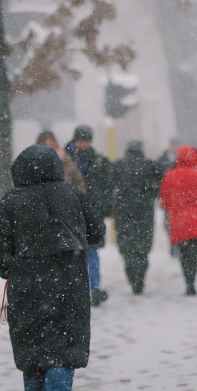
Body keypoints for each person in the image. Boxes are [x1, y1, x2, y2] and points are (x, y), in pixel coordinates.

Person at [0, 145, 105, 391]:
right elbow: (97, 232)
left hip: (27, 287)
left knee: (33, 353)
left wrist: (10, 268)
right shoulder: (73, 195)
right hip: (69, 284)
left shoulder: (10, 202)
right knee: (64, 350)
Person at [65, 125, 113, 306]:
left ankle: (93, 288)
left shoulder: (98, 161)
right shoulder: (64, 159)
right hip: (71, 213)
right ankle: (79, 289)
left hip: (91, 213)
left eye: (86, 140)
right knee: (74, 253)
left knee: (91, 251)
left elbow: (106, 187)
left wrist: (103, 207)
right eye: (81, 140)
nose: (83, 144)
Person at [159, 145, 197, 296]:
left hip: (177, 223)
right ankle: (192, 281)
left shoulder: (169, 175)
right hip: (195, 221)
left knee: (183, 254)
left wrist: (173, 208)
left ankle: (187, 281)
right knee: (193, 254)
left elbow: (163, 200)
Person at [112, 141, 162, 294]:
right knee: (142, 249)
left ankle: (132, 276)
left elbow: (111, 186)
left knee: (128, 249)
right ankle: (140, 278)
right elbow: (157, 187)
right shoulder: (149, 165)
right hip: (144, 214)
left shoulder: (119, 166)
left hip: (124, 214)